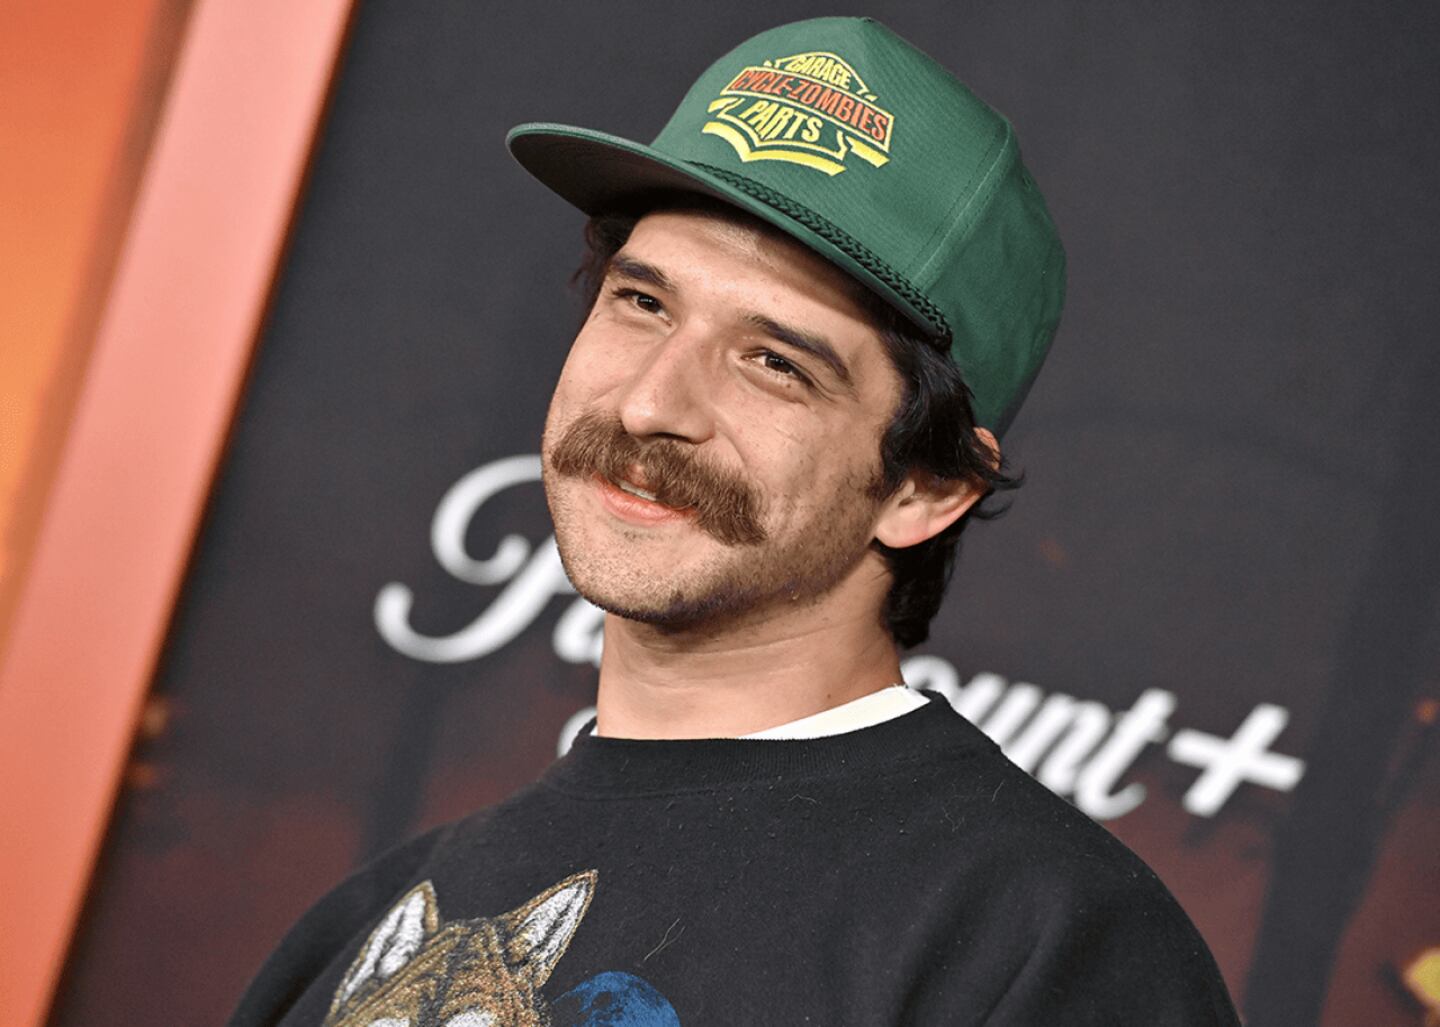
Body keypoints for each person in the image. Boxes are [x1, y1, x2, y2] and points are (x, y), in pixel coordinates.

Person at [230, 16, 1239, 1026]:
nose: (649, 404)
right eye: (643, 303)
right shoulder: (364, 930)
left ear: (926, 488)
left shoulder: (1043, 944)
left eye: (774, 362)